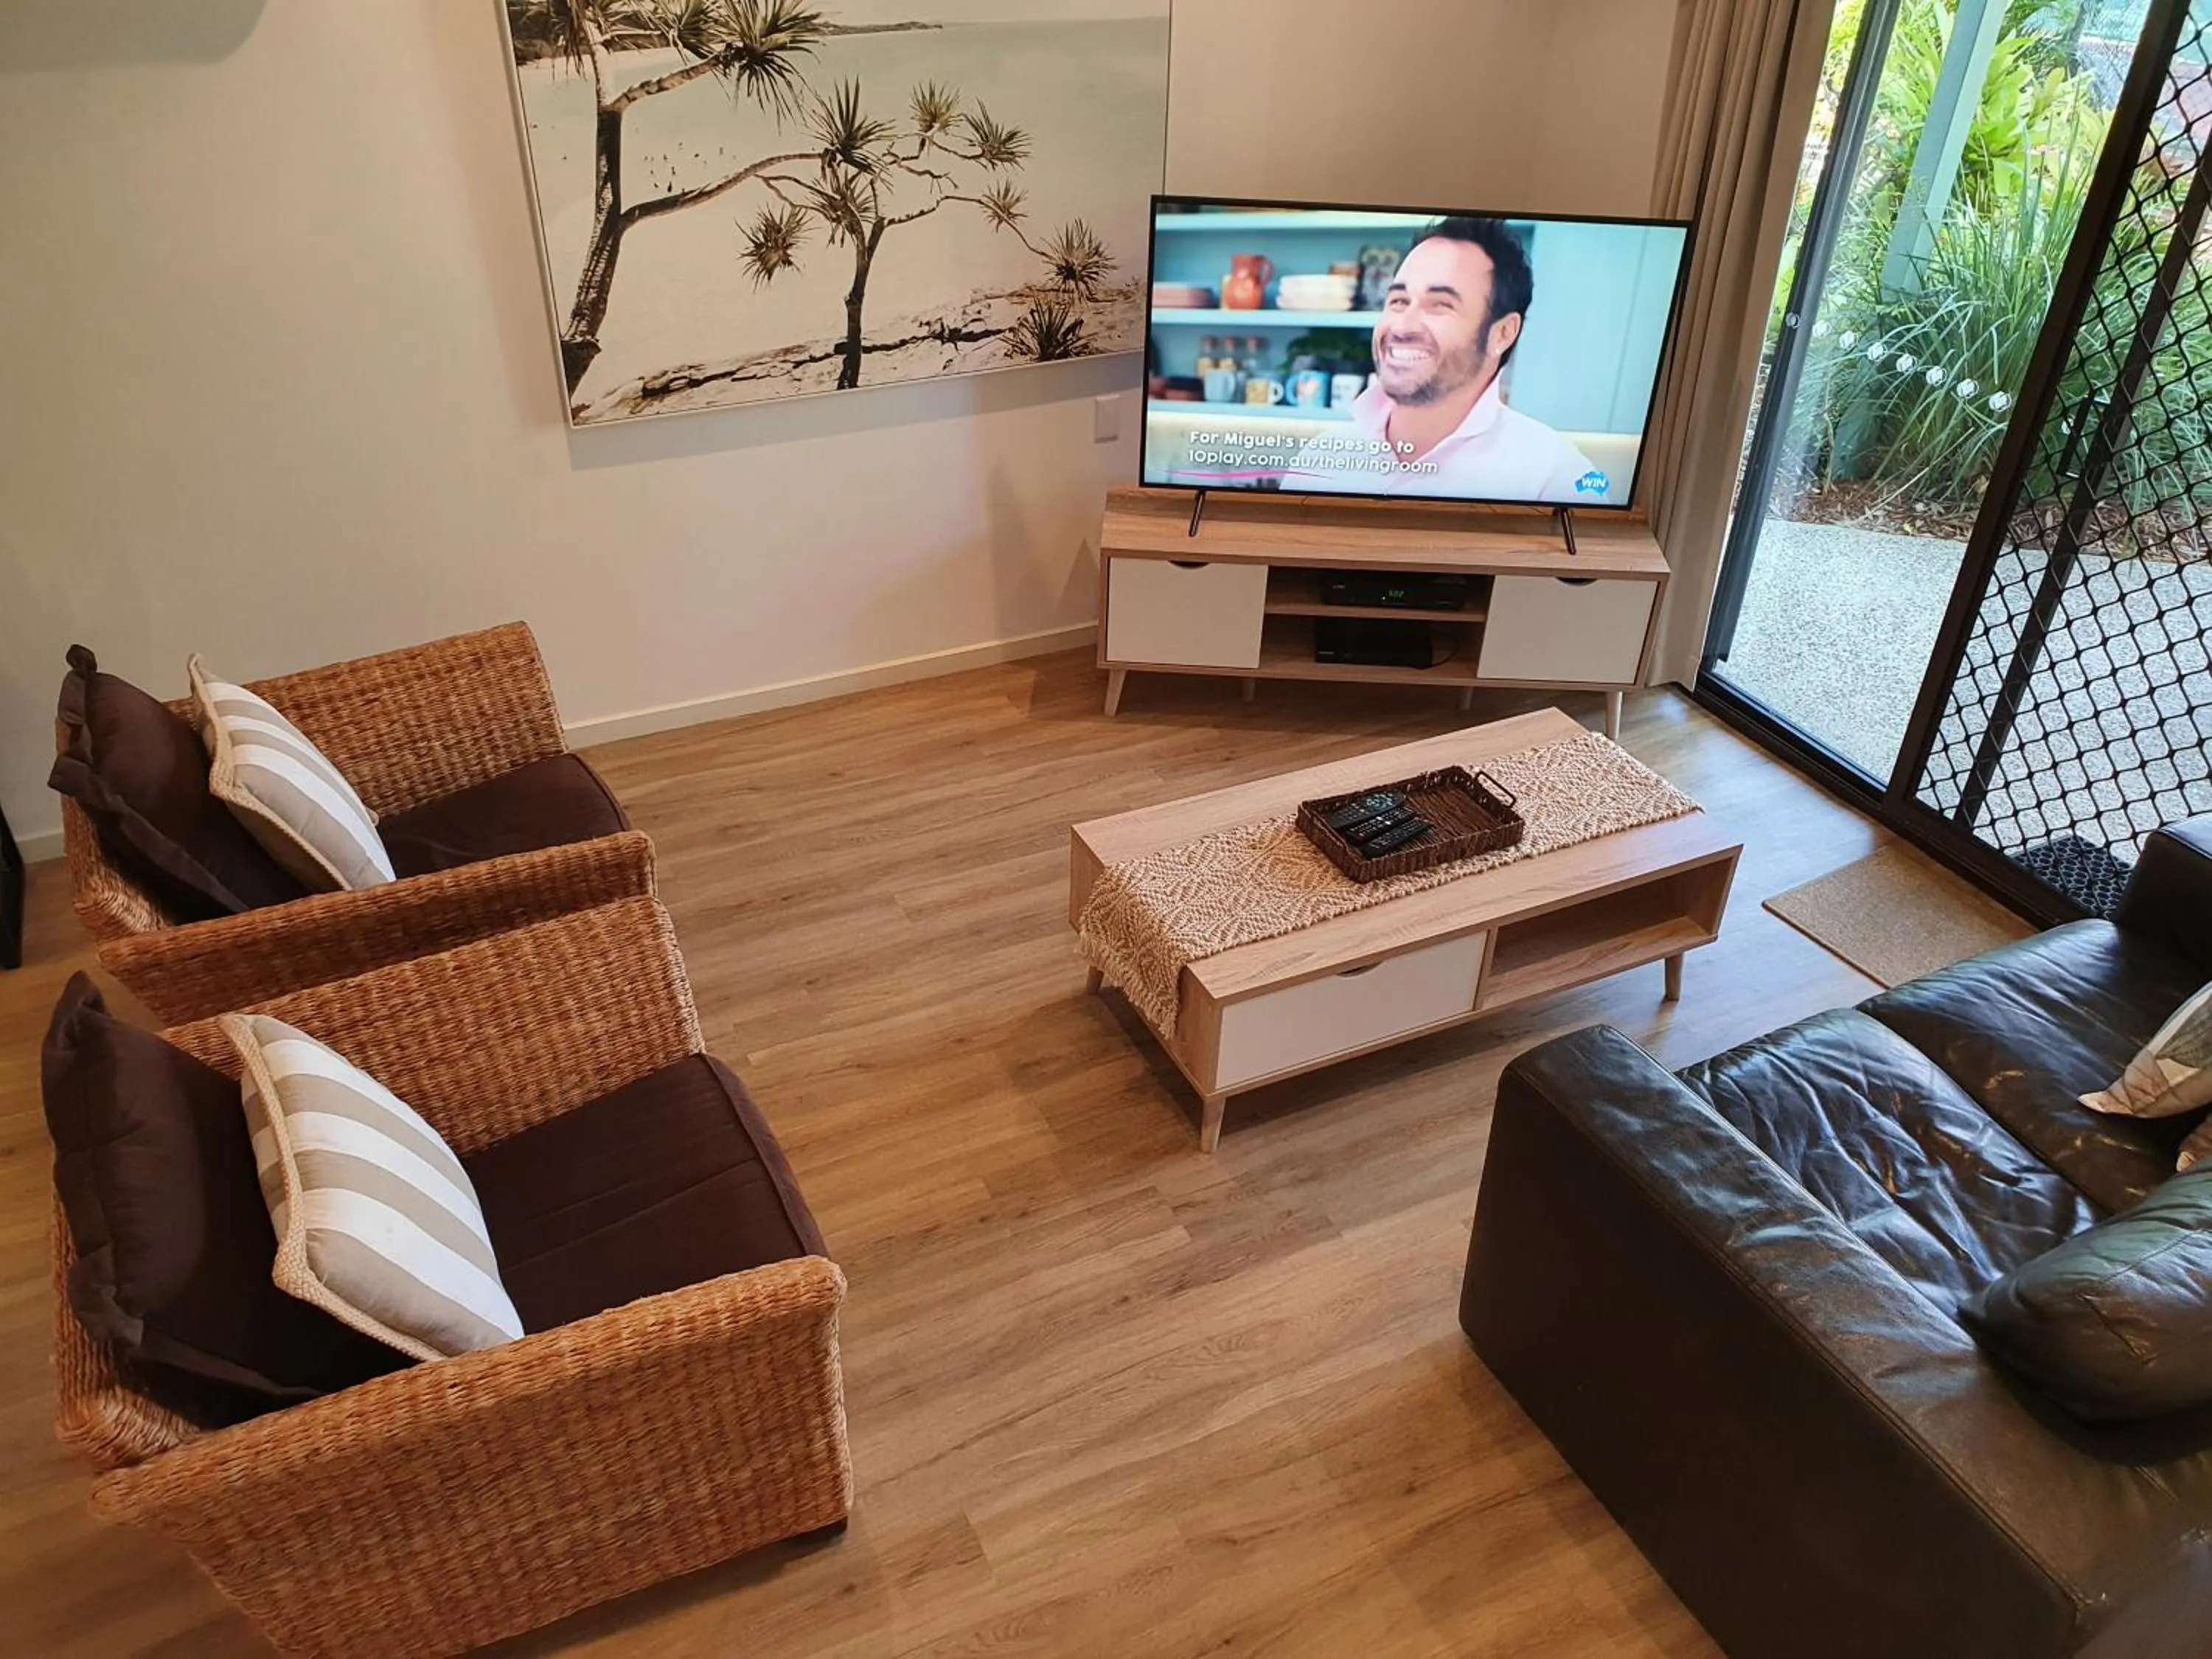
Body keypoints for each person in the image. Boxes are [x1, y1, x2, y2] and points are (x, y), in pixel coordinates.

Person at [1280, 218, 1602, 503]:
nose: (1403, 326)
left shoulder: (1553, 472)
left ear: (1503, 333)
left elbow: (1602, 554)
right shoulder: (1321, 456)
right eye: (1399, 300)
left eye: (1440, 305)